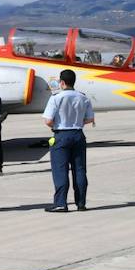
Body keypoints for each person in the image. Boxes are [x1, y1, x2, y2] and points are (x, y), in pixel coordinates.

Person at [42, 68, 95, 212]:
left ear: (62, 82)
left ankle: (61, 203)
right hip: (78, 134)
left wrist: (58, 126)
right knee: (79, 170)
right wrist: (77, 123)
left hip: (61, 135)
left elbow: (48, 121)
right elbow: (90, 118)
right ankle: (81, 203)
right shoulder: (83, 97)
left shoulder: (56, 98)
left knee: (60, 170)